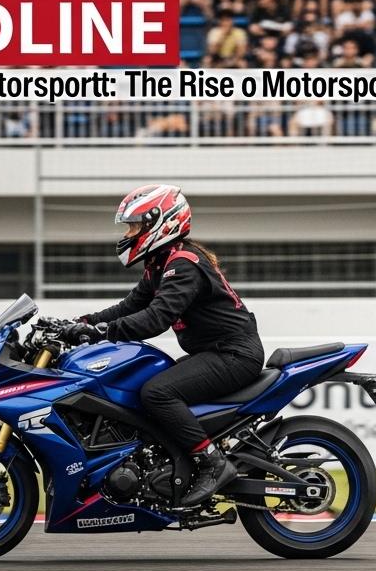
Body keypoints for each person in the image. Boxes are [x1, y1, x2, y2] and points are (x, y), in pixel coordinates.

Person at [73, 185, 264, 507]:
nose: (129, 234)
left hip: (233, 354)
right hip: (213, 353)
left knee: (157, 392)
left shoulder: (183, 263)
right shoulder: (160, 265)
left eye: (135, 226)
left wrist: (102, 333)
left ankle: (212, 463)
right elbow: (130, 306)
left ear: (160, 223)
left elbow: (155, 318)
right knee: (140, 387)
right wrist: (83, 323)